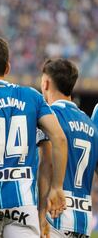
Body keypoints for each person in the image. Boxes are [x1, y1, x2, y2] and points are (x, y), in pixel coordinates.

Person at [0, 37, 67, 238]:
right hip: (24, 205)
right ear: (8, 68)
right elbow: (59, 139)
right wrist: (57, 187)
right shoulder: (33, 97)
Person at [38, 58, 98, 238]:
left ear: (46, 83)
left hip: (54, 215)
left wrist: (41, 214)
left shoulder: (49, 116)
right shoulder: (91, 125)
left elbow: (47, 164)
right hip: (83, 221)